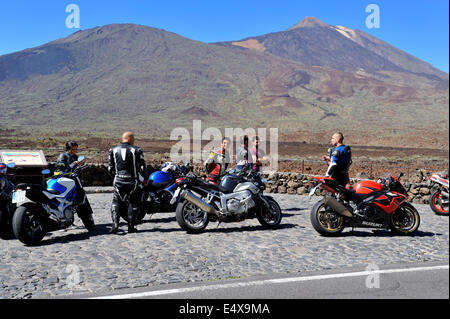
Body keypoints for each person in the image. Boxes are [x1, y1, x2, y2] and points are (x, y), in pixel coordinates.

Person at [108, 132, 147, 234]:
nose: (134, 140)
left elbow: (110, 168)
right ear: (129, 139)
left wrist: (115, 177)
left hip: (118, 180)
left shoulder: (112, 150)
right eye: (133, 138)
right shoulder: (137, 150)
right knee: (132, 202)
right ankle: (131, 227)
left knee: (116, 201)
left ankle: (115, 223)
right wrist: (145, 179)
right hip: (132, 181)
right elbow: (143, 167)